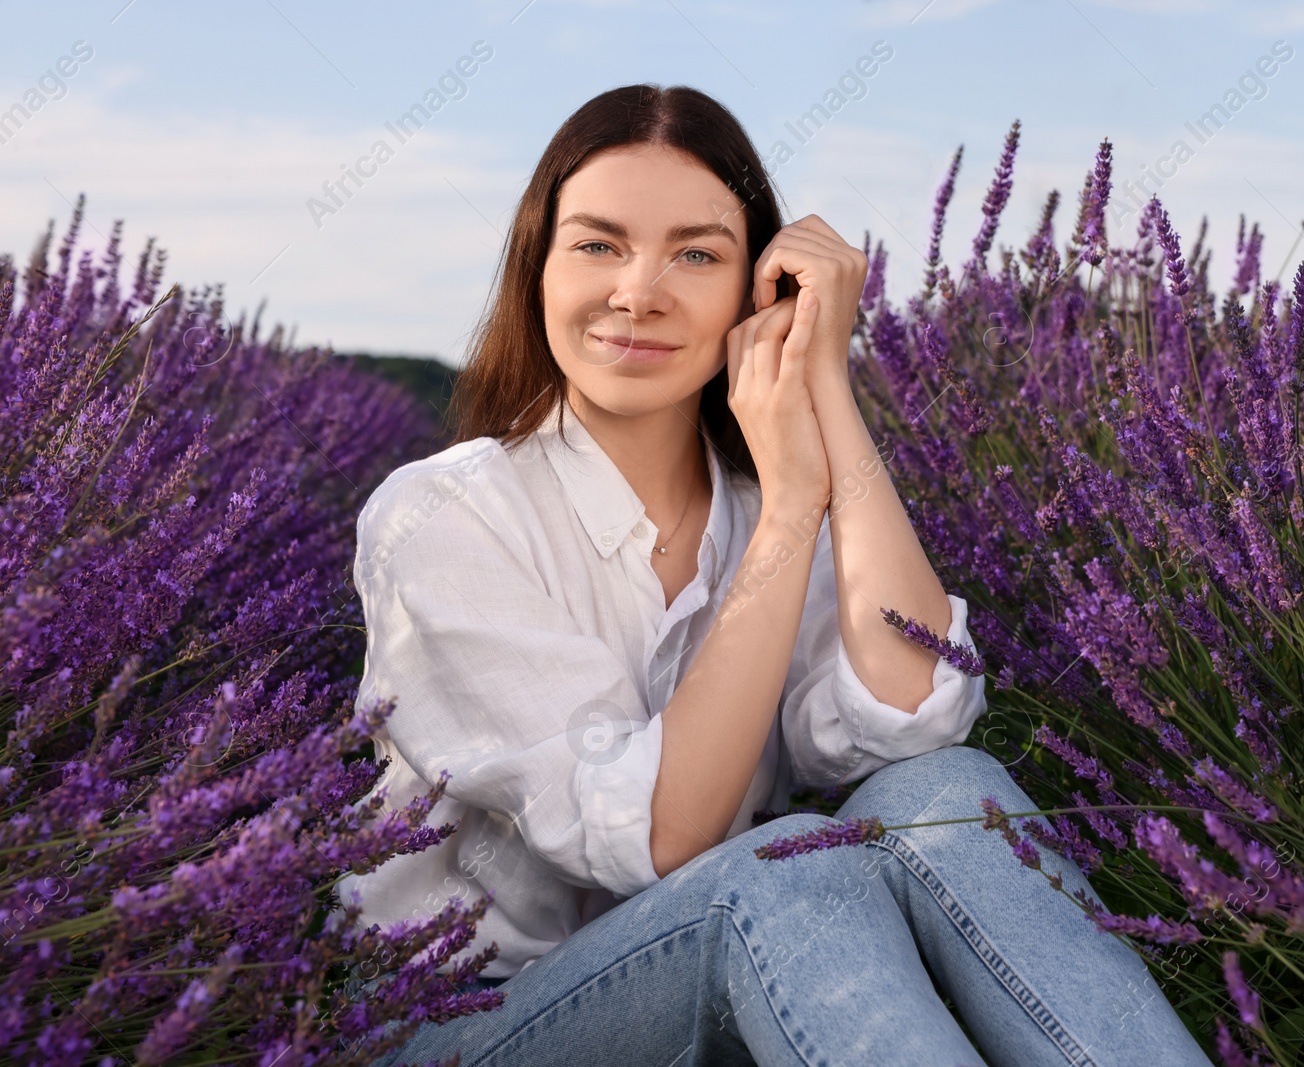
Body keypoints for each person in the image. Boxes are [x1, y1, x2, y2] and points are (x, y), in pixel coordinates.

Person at [336, 82, 1211, 1066]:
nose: (639, 290)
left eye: (697, 253)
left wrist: (825, 383)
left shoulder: (750, 511)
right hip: (459, 1019)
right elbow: (664, 840)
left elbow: (911, 711)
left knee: (953, 787)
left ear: (757, 292)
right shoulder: (445, 512)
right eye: (597, 243)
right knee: (783, 875)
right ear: (535, 269)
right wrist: (798, 508)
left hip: (714, 976)